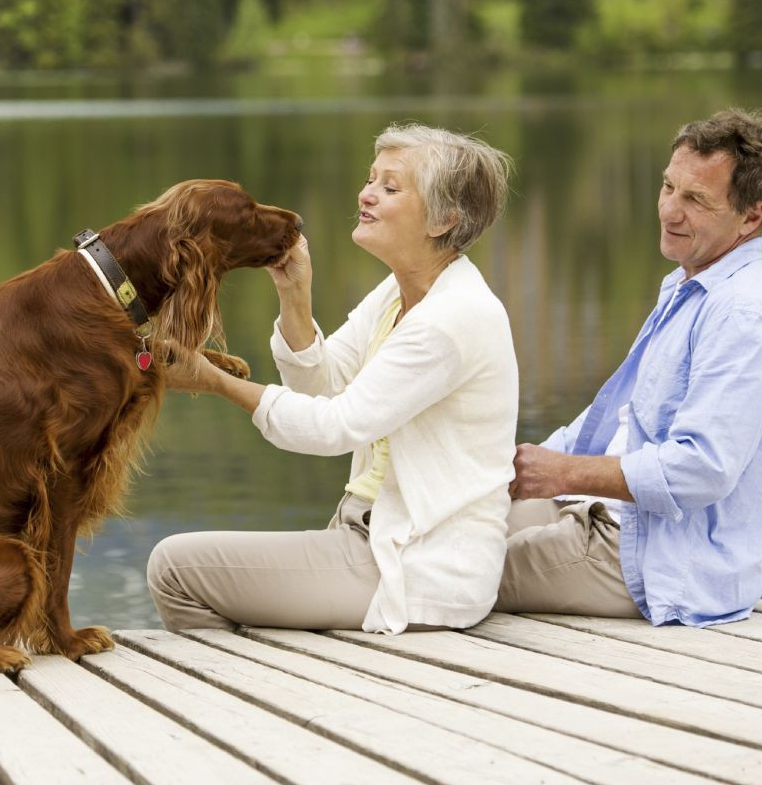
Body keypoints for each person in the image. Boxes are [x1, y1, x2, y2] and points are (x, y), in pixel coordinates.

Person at [149, 123, 518, 633]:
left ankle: (238, 697)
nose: (366, 196)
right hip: (367, 534)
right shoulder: (401, 292)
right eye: (371, 180)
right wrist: (295, 294)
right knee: (195, 575)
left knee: (175, 569)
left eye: (390, 187)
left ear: (443, 219)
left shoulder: (451, 319)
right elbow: (324, 387)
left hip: (416, 569)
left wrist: (214, 380)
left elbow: (332, 427)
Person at [498, 108, 762, 626]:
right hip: (607, 518)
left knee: (444, 570)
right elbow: (622, 420)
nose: (669, 210)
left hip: (661, 564)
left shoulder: (745, 315)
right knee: (445, 527)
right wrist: (525, 464)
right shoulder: (689, 284)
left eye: (695, 200)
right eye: (669, 187)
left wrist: (561, 473)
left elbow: (700, 469)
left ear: (751, 217)